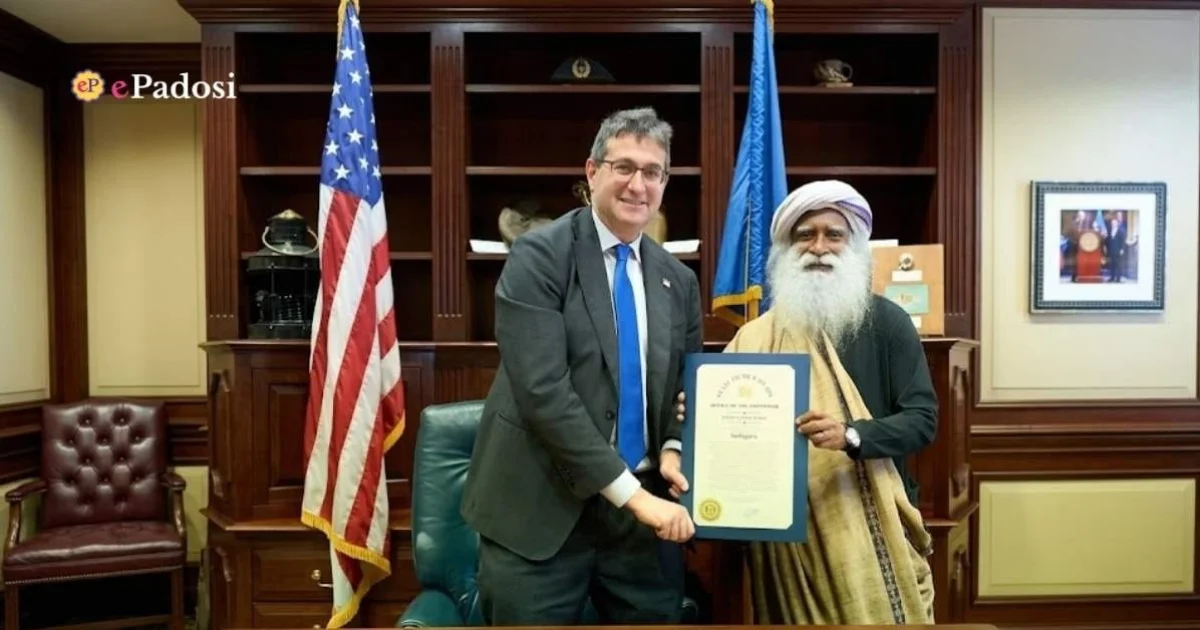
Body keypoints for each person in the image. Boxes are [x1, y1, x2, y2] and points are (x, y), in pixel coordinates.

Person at [461, 107, 703, 626]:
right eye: (624, 167)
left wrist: (673, 446)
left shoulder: (678, 280)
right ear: (592, 172)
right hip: (539, 511)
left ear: (665, 182)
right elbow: (543, 392)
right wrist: (633, 497)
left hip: (639, 527)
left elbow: (684, 384)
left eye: (653, 172)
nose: (638, 185)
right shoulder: (538, 257)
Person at [678, 179, 938, 625]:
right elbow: (724, 418)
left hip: (872, 524)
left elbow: (922, 421)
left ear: (855, 246)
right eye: (805, 235)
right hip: (783, 535)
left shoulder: (888, 323)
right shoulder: (757, 336)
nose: (819, 247)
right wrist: (696, 413)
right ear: (785, 249)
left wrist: (851, 435)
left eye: (833, 234)